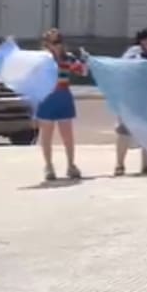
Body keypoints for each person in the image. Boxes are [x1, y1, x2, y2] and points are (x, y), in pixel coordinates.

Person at [36, 28, 87, 182]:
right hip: (47, 98)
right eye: (52, 42)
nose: (56, 45)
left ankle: (71, 165)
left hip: (63, 96)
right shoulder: (42, 59)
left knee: (67, 135)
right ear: (46, 44)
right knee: (46, 135)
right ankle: (48, 166)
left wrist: (84, 60)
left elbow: (83, 72)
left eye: (58, 41)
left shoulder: (68, 58)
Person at [116, 28, 147, 176]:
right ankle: (119, 165)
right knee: (124, 131)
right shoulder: (132, 53)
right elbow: (122, 69)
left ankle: (146, 165)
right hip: (132, 98)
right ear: (143, 40)